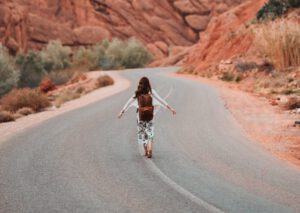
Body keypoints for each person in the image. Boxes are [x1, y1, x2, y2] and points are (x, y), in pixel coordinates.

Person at [118, 76, 176, 158]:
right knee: (150, 132)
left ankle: (145, 150)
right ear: (148, 83)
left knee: (142, 133)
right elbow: (161, 100)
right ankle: (150, 148)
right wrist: (170, 108)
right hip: (150, 116)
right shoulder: (152, 92)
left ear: (140, 84)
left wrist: (122, 112)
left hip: (140, 117)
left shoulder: (137, 93)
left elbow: (128, 102)